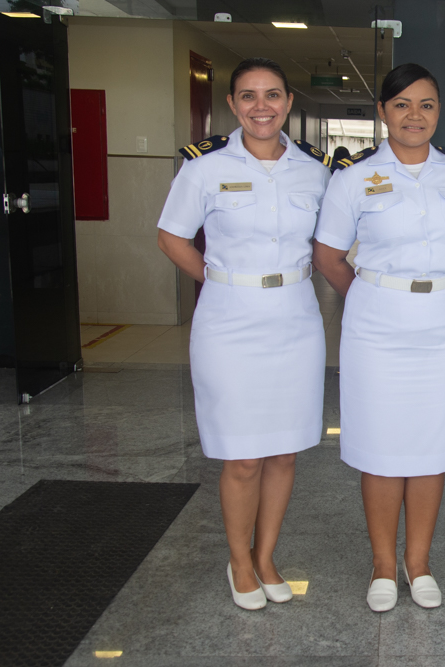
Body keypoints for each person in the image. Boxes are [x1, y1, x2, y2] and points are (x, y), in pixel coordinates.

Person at [313, 63, 445, 613]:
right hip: (376, 329)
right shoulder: (352, 179)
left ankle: (419, 563)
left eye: (427, 104)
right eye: (402, 105)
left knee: (431, 449)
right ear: (383, 112)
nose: (414, 115)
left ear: (439, 111)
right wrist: (373, 292)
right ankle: (383, 567)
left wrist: (438, 290)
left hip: (443, 329)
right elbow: (327, 255)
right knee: (381, 449)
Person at [157, 58, 333, 611]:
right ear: (233, 104)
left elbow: (333, 240)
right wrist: (216, 278)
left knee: (283, 452)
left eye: (273, 95)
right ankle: (239, 561)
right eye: (250, 96)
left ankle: (266, 556)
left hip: (296, 318)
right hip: (229, 321)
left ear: (288, 101)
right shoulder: (204, 168)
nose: (263, 106)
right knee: (243, 457)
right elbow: (172, 237)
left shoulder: (314, 169)